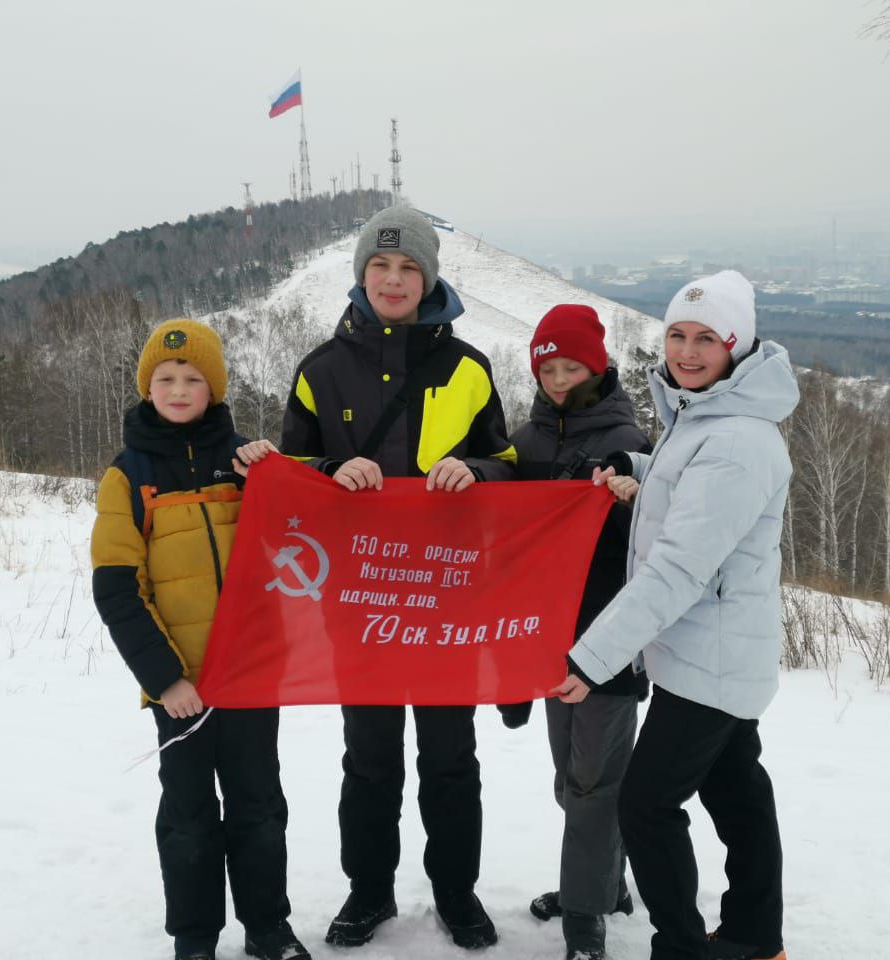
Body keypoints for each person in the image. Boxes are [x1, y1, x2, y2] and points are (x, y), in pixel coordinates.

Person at [239, 204, 517, 950]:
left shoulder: (468, 369)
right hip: (357, 602)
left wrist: (478, 468)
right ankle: (369, 892)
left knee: (451, 757)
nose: (393, 280)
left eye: (408, 268)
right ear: (361, 274)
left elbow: (513, 470)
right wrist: (332, 469)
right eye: (380, 266)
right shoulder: (320, 371)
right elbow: (293, 477)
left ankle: (457, 894)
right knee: (368, 758)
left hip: (446, 600)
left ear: (428, 279)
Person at [555, 271, 798, 960]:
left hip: (708, 662)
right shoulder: (707, 415)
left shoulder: (736, 441)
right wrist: (632, 460)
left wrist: (590, 657)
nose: (687, 352)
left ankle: (683, 947)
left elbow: (679, 569)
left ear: (737, 345)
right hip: (716, 653)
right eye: (676, 336)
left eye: (705, 339)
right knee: (736, 790)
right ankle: (756, 938)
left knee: (646, 806)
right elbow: (685, 493)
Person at [90, 318, 309, 960]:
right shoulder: (127, 476)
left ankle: (268, 927)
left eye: (193, 378)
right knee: (187, 815)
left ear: (213, 388)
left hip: (250, 675)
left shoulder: (248, 464)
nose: (179, 388)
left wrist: (270, 476)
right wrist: (165, 680)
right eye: (165, 378)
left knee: (260, 806)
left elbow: (297, 543)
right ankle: (194, 936)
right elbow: (118, 588)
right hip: (179, 685)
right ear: (146, 387)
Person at [502, 304, 650, 960]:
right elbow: (500, 477)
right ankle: (604, 884)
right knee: (571, 778)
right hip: (551, 641)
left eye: (572, 366)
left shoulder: (627, 435)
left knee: (596, 784)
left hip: (611, 640)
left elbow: (656, 516)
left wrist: (625, 489)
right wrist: (471, 474)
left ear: (599, 364)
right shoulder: (530, 438)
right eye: (549, 367)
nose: (559, 378)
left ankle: (585, 920)